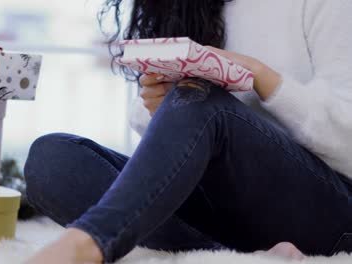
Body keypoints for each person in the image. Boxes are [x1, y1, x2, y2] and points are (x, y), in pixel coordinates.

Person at [24, 0, 352, 263]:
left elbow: (346, 140)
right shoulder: (190, 8)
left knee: (202, 97)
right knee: (53, 160)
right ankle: (235, 255)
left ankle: (90, 242)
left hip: (327, 212)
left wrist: (261, 77)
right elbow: (183, 135)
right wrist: (161, 106)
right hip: (230, 210)